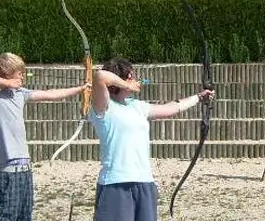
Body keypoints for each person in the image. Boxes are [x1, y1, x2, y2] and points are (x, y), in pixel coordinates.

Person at [89, 58, 215, 221]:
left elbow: (171, 108)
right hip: (115, 184)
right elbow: (100, 76)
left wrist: (198, 97)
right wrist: (127, 85)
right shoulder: (103, 106)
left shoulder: (137, 105)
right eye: (131, 76)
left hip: (144, 182)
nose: (135, 80)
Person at [0, 52, 91, 221]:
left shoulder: (20, 93)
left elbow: (51, 94)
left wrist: (81, 89)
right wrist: (8, 83)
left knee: (25, 217)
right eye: (19, 72)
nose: (23, 75)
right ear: (6, 72)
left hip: (25, 171)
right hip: (8, 172)